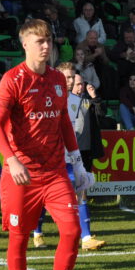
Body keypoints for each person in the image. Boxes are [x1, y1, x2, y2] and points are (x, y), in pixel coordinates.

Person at [0, 20, 90, 270]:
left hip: (55, 172)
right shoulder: (13, 79)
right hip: (21, 175)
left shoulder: (59, 78)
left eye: (48, 41)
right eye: (39, 42)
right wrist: (12, 160)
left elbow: (63, 122)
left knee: (72, 231)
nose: (46, 46)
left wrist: (77, 161)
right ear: (25, 44)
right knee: (19, 238)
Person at [59, 63, 107, 252]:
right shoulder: (49, 97)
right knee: (45, 200)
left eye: (73, 77)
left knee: (80, 192)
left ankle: (86, 237)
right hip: (51, 158)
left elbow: (75, 130)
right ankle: (37, 232)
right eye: (67, 77)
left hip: (71, 157)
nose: (70, 81)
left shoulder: (77, 101)